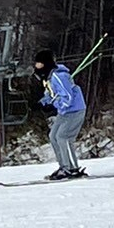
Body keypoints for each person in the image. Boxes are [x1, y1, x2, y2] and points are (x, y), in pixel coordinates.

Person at [33, 48, 87, 180]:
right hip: (64, 112)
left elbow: (67, 97)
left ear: (45, 63)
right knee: (53, 136)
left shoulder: (59, 76)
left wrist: (54, 105)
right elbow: (51, 94)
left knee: (64, 137)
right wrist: (42, 103)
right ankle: (64, 166)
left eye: (39, 64)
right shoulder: (48, 77)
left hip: (74, 110)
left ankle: (72, 168)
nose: (36, 67)